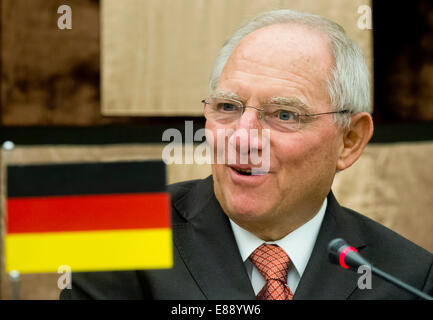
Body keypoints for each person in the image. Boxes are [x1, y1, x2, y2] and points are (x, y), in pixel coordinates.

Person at [61, 9, 433, 300]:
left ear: (349, 139)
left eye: (284, 115)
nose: (242, 139)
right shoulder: (119, 238)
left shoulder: (408, 277)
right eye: (227, 107)